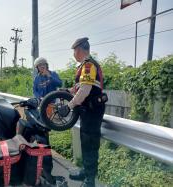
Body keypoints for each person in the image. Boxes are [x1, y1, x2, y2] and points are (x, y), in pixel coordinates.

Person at [63, 37, 106, 187]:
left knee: (90, 144)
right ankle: (86, 172)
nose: (74, 54)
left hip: (93, 110)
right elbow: (79, 87)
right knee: (85, 141)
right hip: (87, 109)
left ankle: (90, 180)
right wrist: (66, 91)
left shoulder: (88, 66)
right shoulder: (84, 66)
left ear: (80, 49)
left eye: (74, 51)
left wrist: (69, 105)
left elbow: (85, 90)